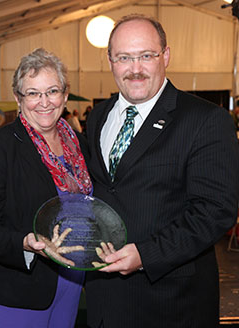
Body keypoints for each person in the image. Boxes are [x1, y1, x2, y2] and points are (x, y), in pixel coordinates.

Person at [85, 14, 239, 328]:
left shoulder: (205, 120)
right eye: (124, 58)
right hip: (104, 300)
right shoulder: (98, 117)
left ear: (165, 56)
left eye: (146, 56)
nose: (135, 69)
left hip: (172, 303)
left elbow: (215, 210)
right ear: (110, 61)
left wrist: (146, 255)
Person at [0, 48, 92, 328]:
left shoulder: (79, 145)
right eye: (33, 93)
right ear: (18, 99)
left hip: (69, 282)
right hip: (15, 286)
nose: (44, 102)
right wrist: (24, 243)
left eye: (52, 91)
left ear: (65, 95)